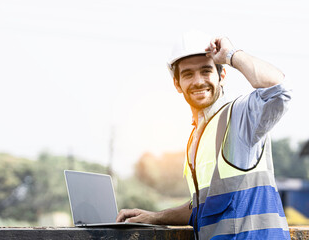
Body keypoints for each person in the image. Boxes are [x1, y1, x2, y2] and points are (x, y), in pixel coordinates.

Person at [116, 30, 291, 239]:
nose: (198, 81)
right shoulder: (197, 139)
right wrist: (154, 217)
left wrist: (231, 54)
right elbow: (203, 207)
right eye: (188, 74)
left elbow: (279, 89)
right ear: (177, 84)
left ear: (222, 76)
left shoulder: (240, 117)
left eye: (206, 71)